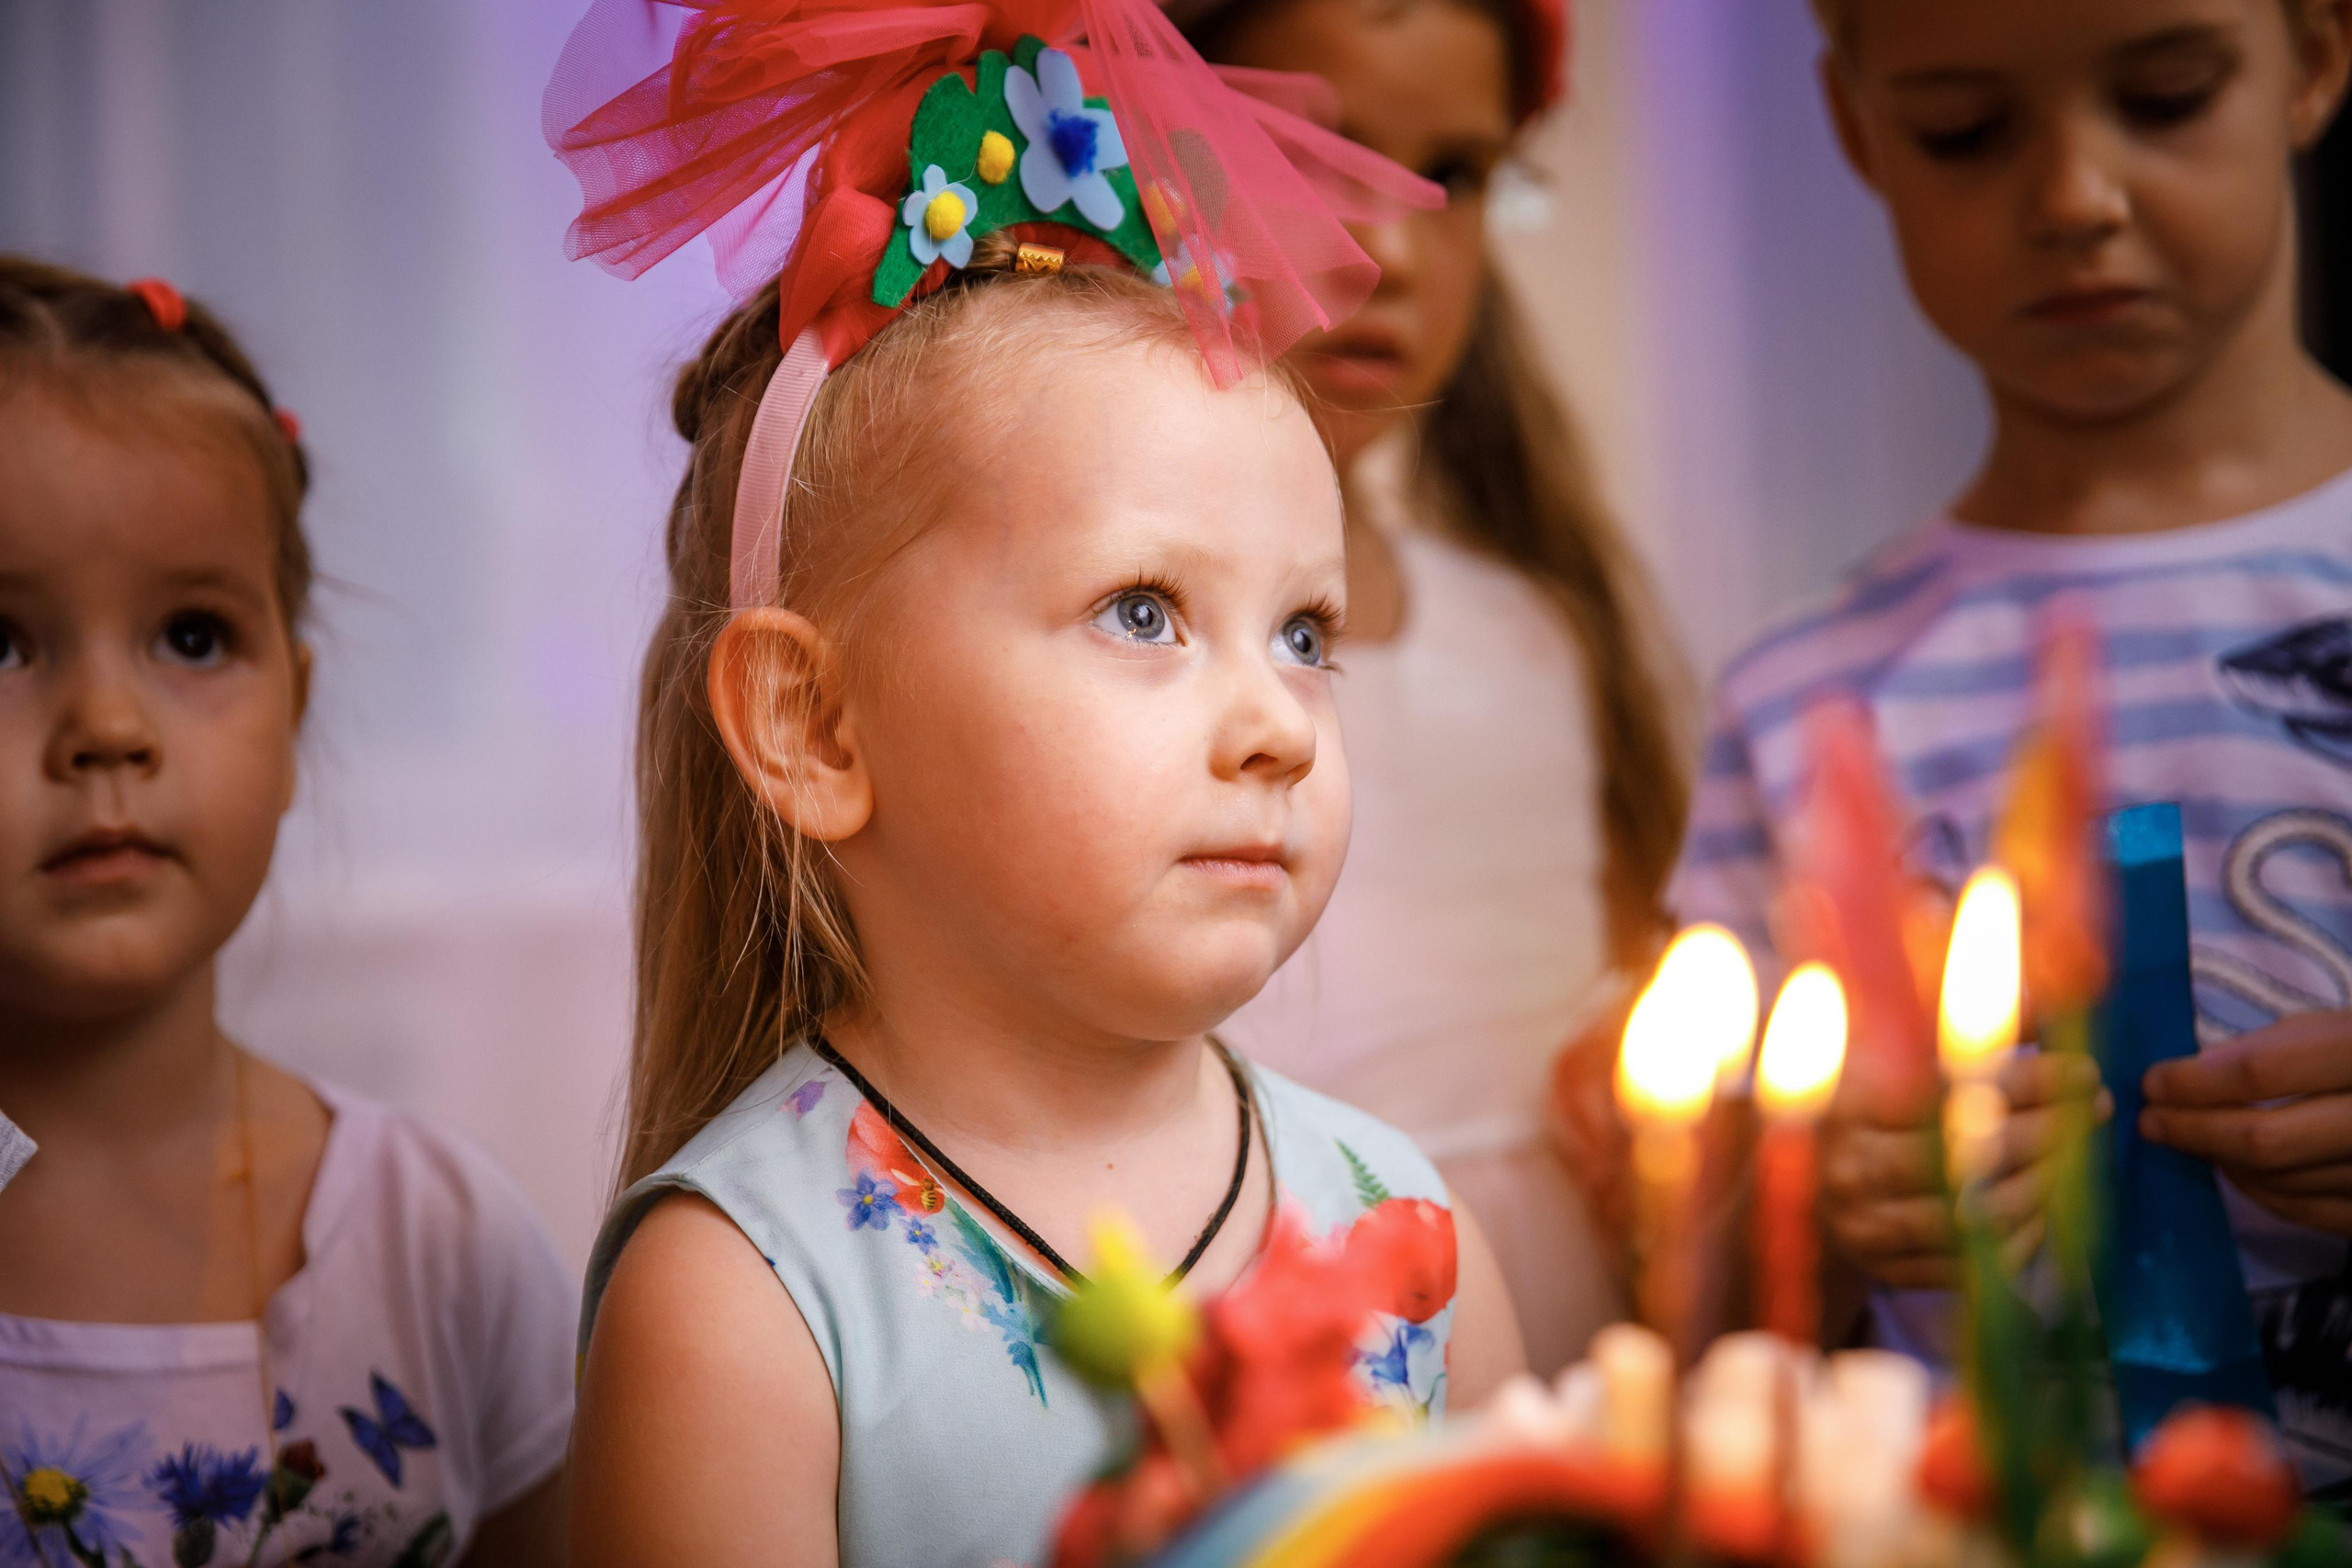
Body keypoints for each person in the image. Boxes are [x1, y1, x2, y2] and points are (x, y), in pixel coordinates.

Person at [548, 5, 1527, 1564]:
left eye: (1304, 632)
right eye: (1144, 613)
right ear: (818, 727)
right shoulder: (739, 1304)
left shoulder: (1406, 1230)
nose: (1278, 722)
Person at [1669, 0, 2352, 1494]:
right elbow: (1692, 1303)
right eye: (1966, 131)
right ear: (1856, 129)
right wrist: (1828, 1210)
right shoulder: (1809, 702)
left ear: (2314, 54)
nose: (2072, 200)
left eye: (2166, 97)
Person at [0, 260, 575, 1564]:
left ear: (295, 706)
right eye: (3, 642)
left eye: (192, 638)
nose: (106, 729)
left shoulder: (442, 1247)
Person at [1172, 0, 1690, 1375]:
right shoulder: (1090, 664)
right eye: (1309, 155)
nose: (1388, 247)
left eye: (1451, 175)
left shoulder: (1536, 639)